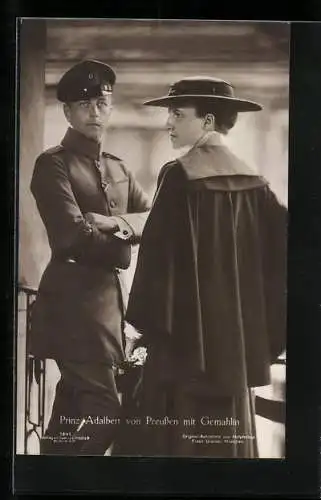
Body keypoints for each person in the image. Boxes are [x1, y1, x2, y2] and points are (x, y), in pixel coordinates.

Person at [125, 76, 287, 458]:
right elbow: (284, 260)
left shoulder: (179, 175)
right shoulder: (256, 183)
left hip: (183, 346)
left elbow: (156, 256)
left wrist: (141, 329)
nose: (168, 123)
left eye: (177, 115)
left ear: (209, 121)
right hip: (234, 349)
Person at [29, 59, 150, 455]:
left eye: (102, 102)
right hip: (72, 305)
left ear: (111, 107)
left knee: (70, 409)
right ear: (67, 111)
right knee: (106, 408)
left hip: (108, 308)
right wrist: (124, 234)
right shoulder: (53, 165)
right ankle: (71, 481)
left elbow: (154, 221)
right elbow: (69, 238)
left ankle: (46, 478)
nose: (95, 111)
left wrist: (108, 222)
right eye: (84, 105)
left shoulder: (120, 168)